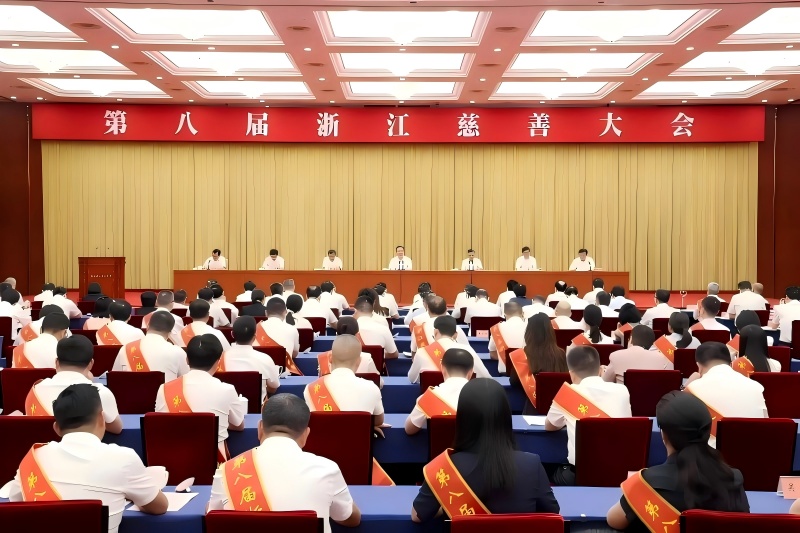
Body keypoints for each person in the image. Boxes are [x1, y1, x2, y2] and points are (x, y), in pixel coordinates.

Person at [8, 384, 167, 531]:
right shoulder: (124, 458)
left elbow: (15, 500)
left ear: (56, 428)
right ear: (102, 419)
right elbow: (159, 507)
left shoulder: (34, 459)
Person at [207, 394, 361, 533]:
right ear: (306, 435)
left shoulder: (227, 470)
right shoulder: (327, 469)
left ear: (260, 428)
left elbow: (212, 515)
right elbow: (349, 518)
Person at [412, 379, 559, 521]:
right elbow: (553, 512)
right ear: (505, 416)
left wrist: (447, 508)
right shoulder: (532, 464)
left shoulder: (446, 467)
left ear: (463, 418)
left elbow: (418, 515)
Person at [606, 391, 749, 531]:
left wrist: (633, 490)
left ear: (664, 434)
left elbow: (614, 520)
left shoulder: (647, 482)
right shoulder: (733, 477)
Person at [546, 346, 632, 485]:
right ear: (600, 370)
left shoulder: (568, 393)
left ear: (571, 374)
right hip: (620, 474)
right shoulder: (622, 390)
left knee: (548, 468)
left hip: (581, 475)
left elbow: (550, 426)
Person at [155, 334, 247, 461]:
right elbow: (238, 425)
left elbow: (160, 426)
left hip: (173, 461)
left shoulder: (164, 389)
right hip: (213, 463)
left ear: (187, 360)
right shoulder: (227, 390)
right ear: (218, 362)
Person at [26, 335, 123, 434]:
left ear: (56, 362)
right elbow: (116, 428)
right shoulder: (100, 392)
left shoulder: (37, 388)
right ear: (91, 363)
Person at [684, 342, 768, 447]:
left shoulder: (693, 388)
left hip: (708, 455)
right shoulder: (756, 386)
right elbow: (765, 423)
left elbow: (676, 422)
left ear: (698, 366)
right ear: (730, 363)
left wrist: (684, 387)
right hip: (753, 450)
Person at [304, 335, 384, 427]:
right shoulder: (372, 388)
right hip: (357, 436)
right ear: (359, 361)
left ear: (330, 359)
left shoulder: (310, 388)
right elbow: (378, 421)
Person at [406, 348, 473, 435]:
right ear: (471, 372)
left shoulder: (430, 397)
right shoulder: (486, 397)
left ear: (442, 367)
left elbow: (409, 429)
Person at [509, 314, 567, 414]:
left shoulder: (523, 354)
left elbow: (513, 381)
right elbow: (565, 381)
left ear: (529, 333)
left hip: (531, 411)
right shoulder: (561, 353)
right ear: (550, 332)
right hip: (557, 411)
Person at [408, 316, 490, 383]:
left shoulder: (422, 352)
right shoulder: (467, 350)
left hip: (433, 397)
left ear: (435, 332)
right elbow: (485, 377)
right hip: (463, 397)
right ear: (456, 335)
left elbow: (412, 378)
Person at [218, 316, 280, 403]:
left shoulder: (220, 359)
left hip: (228, 408)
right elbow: (273, 388)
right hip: (258, 410)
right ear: (254, 337)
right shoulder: (265, 359)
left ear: (232, 334)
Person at [112, 312, 189, 381]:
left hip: (131, 392)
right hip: (164, 392)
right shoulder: (178, 352)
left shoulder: (126, 348)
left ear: (148, 326)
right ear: (170, 333)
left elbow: (115, 378)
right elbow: (185, 380)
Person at [603, 325, 673, 383]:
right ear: (651, 344)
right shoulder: (662, 359)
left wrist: (602, 371)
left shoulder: (616, 356)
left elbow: (606, 381)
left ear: (631, 339)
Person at [257, 297, 300, 370]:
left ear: (266, 312)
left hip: (262, 372)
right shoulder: (292, 329)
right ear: (285, 312)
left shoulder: (256, 328)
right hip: (284, 372)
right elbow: (295, 353)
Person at [489, 303, 526, 374]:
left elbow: (492, 354)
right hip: (525, 375)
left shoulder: (496, 328)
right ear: (523, 313)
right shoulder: (531, 328)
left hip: (504, 373)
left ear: (504, 314)